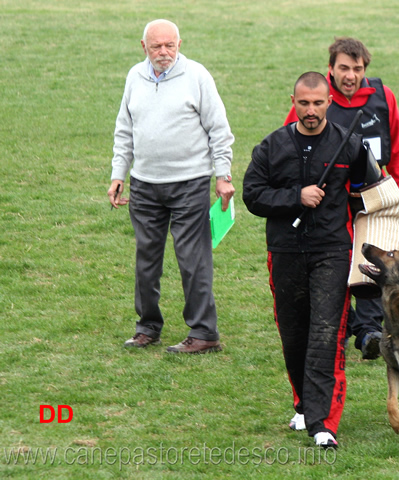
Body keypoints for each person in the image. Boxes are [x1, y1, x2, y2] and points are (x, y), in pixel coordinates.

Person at [243, 72, 368, 448]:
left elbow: (368, 198)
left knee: (326, 335)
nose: (311, 111)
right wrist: (296, 197)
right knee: (294, 336)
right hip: (284, 252)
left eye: (318, 103)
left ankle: (323, 424)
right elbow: (253, 195)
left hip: (332, 251)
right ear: (293, 102)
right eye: (304, 103)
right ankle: (302, 403)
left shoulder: (352, 146)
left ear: (329, 102)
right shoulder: (271, 146)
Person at [108, 19, 235, 354]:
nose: (163, 52)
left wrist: (223, 176)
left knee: (193, 261)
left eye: (169, 45)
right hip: (144, 184)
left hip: (189, 184)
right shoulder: (134, 77)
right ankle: (147, 327)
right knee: (146, 261)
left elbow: (219, 129)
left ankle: (205, 332)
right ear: (143, 47)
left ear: (180, 43)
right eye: (156, 47)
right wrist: (118, 173)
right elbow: (125, 129)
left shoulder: (197, 77)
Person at [285, 37, 399, 361]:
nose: (350, 75)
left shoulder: (384, 98)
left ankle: (369, 330)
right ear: (331, 69)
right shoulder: (316, 100)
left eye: (357, 69)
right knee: (335, 263)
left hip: (373, 197)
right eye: (343, 68)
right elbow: (290, 142)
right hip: (330, 201)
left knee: (373, 261)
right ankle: (344, 327)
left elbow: (397, 145)